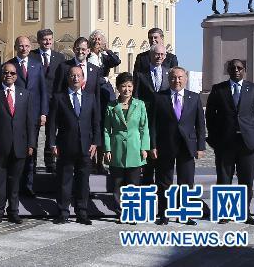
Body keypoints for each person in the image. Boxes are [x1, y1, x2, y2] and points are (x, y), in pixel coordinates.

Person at [206, 59, 254, 226]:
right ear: (228, 70)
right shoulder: (219, 89)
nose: (236, 70)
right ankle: (225, 213)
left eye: (239, 68)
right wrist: (215, 137)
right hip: (225, 143)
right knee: (224, 179)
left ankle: (244, 212)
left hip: (247, 144)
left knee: (246, 180)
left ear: (244, 70)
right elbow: (210, 116)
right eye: (232, 68)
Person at [0, 62, 36, 224]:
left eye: (12, 73)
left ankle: (14, 211)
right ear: (1, 75)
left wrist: (31, 144)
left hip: (20, 146)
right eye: (6, 73)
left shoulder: (25, 94)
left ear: (17, 76)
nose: (9, 75)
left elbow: (30, 122)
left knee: (15, 181)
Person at [152, 67, 205, 226]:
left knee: (186, 182)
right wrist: (153, 146)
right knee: (163, 182)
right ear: (169, 79)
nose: (177, 80)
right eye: (174, 78)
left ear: (186, 79)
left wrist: (200, 146)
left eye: (180, 77)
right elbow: (153, 125)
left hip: (187, 146)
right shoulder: (159, 97)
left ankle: (185, 214)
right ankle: (164, 214)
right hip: (165, 145)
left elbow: (200, 125)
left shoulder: (194, 98)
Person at [48, 65, 99, 225]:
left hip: (86, 146)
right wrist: (52, 143)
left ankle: (82, 212)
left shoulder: (90, 97)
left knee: (83, 181)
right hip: (65, 145)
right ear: (68, 78)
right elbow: (52, 123)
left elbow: (96, 122)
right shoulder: (59, 97)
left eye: (78, 75)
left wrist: (95, 143)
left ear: (83, 78)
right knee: (64, 180)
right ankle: (63, 212)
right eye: (72, 75)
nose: (75, 78)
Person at [54, 37, 106, 175]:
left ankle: (84, 192)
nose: (80, 51)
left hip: (87, 118)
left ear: (88, 51)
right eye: (78, 49)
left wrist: (97, 117)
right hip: (68, 117)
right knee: (67, 167)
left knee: (85, 164)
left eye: (83, 49)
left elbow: (97, 94)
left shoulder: (95, 69)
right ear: (74, 49)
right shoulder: (64, 67)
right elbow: (58, 91)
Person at [102, 72, 149, 222]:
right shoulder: (111, 106)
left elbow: (144, 128)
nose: (126, 89)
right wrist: (107, 149)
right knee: (117, 184)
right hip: (116, 149)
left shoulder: (140, 104)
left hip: (135, 147)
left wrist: (144, 148)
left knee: (133, 184)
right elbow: (106, 130)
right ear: (118, 88)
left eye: (129, 86)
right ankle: (120, 211)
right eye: (123, 86)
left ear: (133, 87)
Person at [7, 35, 48, 197]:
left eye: (26, 46)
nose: (24, 48)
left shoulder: (37, 65)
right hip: (15, 115)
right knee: (16, 150)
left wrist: (43, 112)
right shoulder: (10, 65)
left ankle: (29, 185)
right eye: (21, 46)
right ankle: (15, 185)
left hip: (34, 115)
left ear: (30, 47)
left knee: (32, 149)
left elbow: (43, 91)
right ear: (16, 47)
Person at [132, 43, 168, 185]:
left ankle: (161, 188)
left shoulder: (168, 72)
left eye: (161, 54)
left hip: (164, 120)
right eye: (156, 54)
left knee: (162, 157)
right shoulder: (141, 75)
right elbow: (136, 97)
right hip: (146, 118)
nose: (159, 57)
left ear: (165, 56)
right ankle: (147, 185)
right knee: (147, 155)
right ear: (150, 56)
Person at [31, 29, 62, 174]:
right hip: (35, 102)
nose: (48, 42)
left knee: (51, 133)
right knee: (34, 133)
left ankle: (50, 162)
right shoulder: (32, 56)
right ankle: (32, 163)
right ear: (39, 41)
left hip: (53, 102)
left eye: (50, 39)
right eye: (44, 39)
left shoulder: (59, 57)